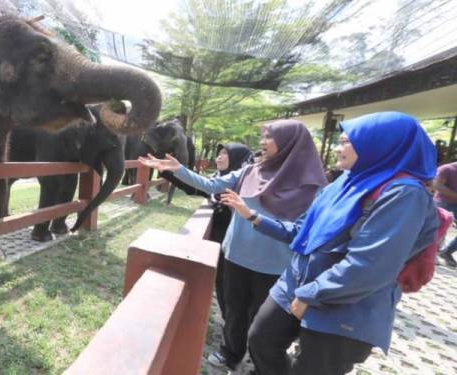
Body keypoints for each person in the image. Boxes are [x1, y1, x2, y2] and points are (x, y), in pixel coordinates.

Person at [221, 112, 439, 375]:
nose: (337, 147)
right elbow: (303, 231)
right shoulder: (344, 182)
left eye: (346, 141)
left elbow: (370, 265)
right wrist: (254, 217)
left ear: (378, 143)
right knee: (261, 340)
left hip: (345, 302)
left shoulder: (403, 194)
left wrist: (311, 295)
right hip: (297, 281)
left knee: (314, 368)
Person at [140, 120, 327, 373]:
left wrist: (250, 214)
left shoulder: (312, 188)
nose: (262, 142)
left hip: (274, 266)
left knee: (262, 320)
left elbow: (299, 233)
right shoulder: (250, 171)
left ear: (289, 143)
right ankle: (230, 353)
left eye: (269, 137)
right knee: (234, 309)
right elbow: (211, 185)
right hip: (236, 256)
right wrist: (177, 169)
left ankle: (257, 359)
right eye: (262, 136)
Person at [162, 143, 254, 318]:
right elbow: (196, 188)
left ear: (237, 159)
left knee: (233, 292)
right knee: (224, 288)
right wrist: (167, 171)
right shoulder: (219, 179)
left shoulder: (241, 186)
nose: (218, 157)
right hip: (223, 248)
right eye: (218, 153)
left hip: (238, 251)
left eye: (225, 154)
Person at [434, 161, 457, 267]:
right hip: (443, 203)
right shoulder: (447, 169)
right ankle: (431, 255)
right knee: (438, 230)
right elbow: (436, 185)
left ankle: (446, 252)